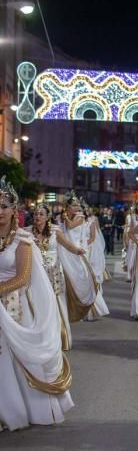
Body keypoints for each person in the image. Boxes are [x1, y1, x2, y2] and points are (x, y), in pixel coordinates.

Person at [0, 176, 73, 431]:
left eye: (4, 207)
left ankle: (24, 408)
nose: (0, 212)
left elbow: (21, 278)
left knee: (15, 355)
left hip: (15, 306)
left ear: (14, 211)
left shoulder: (22, 240)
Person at [26, 203, 96, 349]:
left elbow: (67, 245)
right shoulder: (27, 232)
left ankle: (60, 338)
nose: (38, 216)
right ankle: (40, 339)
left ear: (48, 217)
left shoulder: (55, 231)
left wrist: (78, 251)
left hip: (54, 275)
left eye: (41, 214)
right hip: (36, 276)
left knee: (57, 305)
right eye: (35, 214)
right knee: (38, 305)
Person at [60, 192, 109, 320]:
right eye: (74, 205)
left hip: (78, 251)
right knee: (69, 279)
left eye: (78, 206)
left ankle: (89, 309)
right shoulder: (63, 218)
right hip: (66, 250)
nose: (76, 208)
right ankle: (70, 308)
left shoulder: (80, 217)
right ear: (67, 207)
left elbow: (70, 226)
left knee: (81, 279)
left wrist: (65, 217)